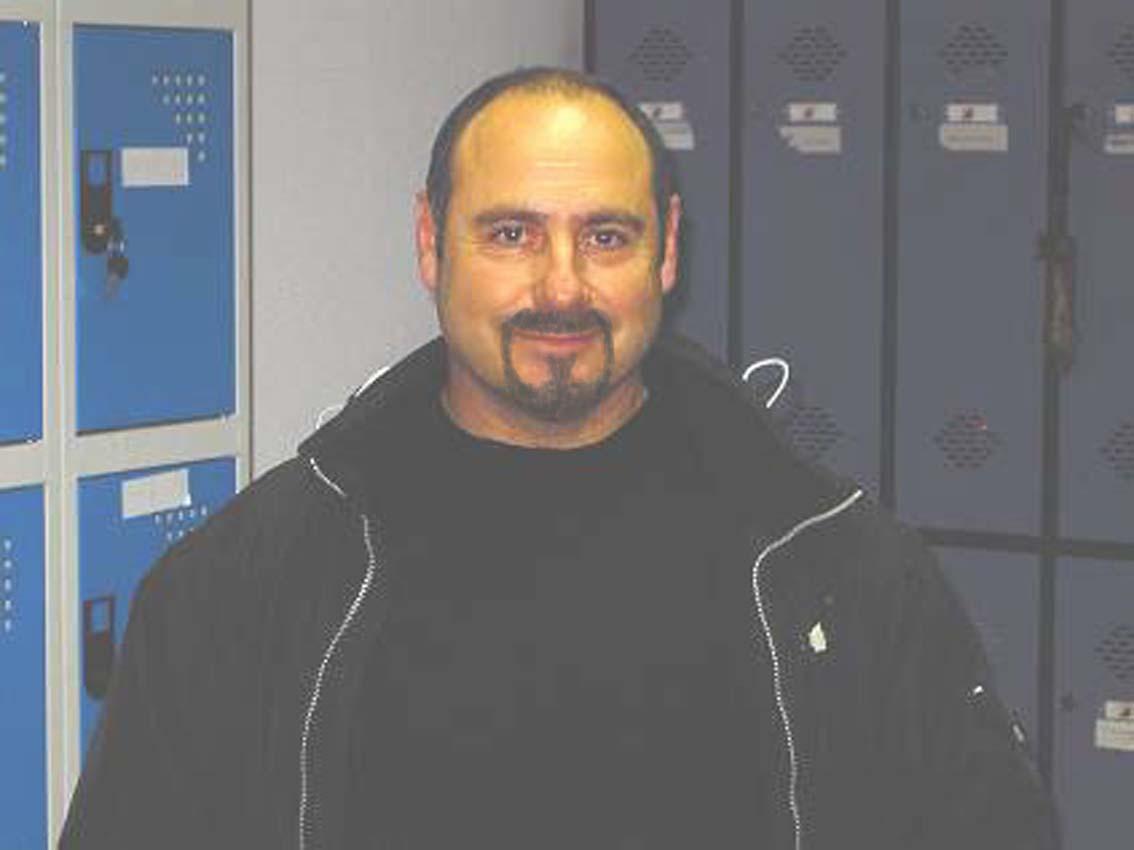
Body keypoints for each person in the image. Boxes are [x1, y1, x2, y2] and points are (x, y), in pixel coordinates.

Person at [61, 67, 1059, 849]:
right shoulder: (253, 581)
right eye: (511, 233)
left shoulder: (839, 572)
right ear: (430, 243)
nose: (563, 287)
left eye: (607, 237)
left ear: (667, 250)